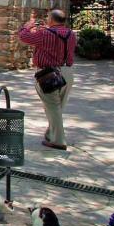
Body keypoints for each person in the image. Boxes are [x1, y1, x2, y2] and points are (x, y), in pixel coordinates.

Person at [18, 9, 77, 150]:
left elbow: (24, 37)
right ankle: (51, 133)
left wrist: (28, 25)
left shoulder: (45, 34)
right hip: (67, 72)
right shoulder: (71, 34)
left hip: (49, 74)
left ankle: (58, 141)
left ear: (51, 19)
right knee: (57, 106)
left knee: (53, 107)